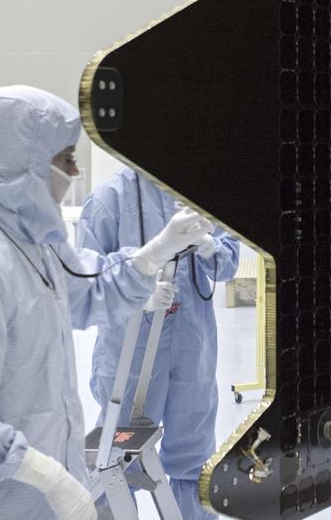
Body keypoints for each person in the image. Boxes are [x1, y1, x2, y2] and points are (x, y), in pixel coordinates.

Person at [0, 85, 214, 519]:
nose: (76, 171)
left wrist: (152, 256)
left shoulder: (36, 244)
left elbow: (89, 292)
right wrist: (48, 477)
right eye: (66, 158)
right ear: (27, 165)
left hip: (41, 489)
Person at [81, 167, 240, 519]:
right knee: (116, 462)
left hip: (192, 350)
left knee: (194, 456)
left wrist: (210, 247)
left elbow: (229, 259)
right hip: (129, 353)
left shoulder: (205, 196)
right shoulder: (110, 199)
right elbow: (87, 282)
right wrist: (136, 295)